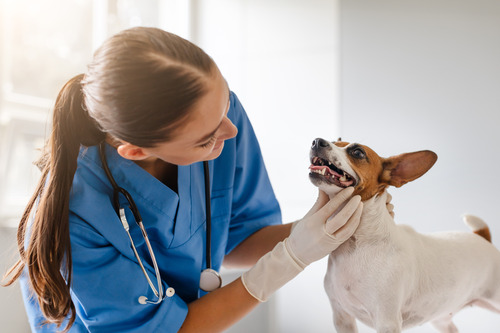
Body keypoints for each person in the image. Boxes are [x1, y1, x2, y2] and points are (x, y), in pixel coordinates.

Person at [3, 27, 366, 332]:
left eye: (225, 105)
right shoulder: (77, 217)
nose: (230, 130)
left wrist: (324, 227)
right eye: (206, 138)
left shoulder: (217, 116)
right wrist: (290, 260)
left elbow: (238, 237)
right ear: (136, 151)